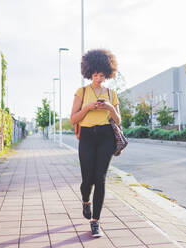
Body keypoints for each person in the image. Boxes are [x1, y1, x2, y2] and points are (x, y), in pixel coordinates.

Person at [70, 49, 121, 238]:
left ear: (107, 73)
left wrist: (108, 107)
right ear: (89, 73)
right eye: (95, 74)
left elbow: (118, 120)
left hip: (106, 136)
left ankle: (95, 221)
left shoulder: (111, 93)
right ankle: (85, 201)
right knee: (87, 179)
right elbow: (73, 119)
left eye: (102, 75)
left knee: (100, 178)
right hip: (87, 136)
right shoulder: (81, 92)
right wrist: (88, 108)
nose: (99, 78)